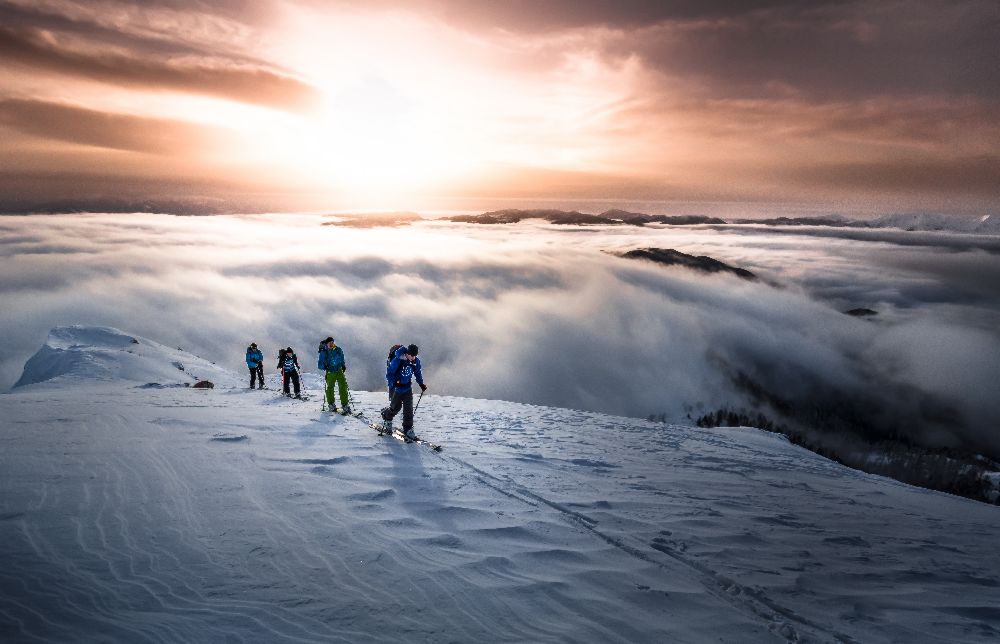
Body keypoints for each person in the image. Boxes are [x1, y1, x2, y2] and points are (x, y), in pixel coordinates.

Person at [381, 344, 427, 439]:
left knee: (408, 410)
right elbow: (389, 374)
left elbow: (418, 373)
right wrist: (393, 384)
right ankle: (387, 417)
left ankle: (408, 429)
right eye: (412, 355)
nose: (413, 358)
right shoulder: (398, 360)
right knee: (395, 408)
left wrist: (421, 384)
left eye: (415, 356)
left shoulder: (415, 361)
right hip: (396, 389)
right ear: (407, 353)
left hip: (407, 388)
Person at [317, 336, 350, 414]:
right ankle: (331, 405)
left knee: (343, 386)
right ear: (326, 343)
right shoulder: (324, 352)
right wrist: (325, 366)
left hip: (339, 370)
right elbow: (320, 364)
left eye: (332, 342)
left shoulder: (338, 349)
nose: (331, 344)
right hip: (330, 372)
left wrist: (343, 365)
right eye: (329, 343)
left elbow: (342, 358)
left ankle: (345, 405)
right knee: (330, 388)